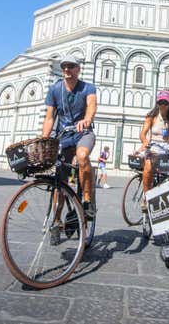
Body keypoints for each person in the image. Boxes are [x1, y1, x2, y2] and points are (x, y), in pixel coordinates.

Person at [42, 54, 97, 229]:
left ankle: (87, 198)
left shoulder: (87, 88)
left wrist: (87, 119)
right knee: (60, 182)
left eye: (71, 66)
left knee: (82, 156)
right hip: (63, 137)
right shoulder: (55, 89)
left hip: (83, 133)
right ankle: (57, 220)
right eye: (64, 66)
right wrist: (44, 139)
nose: (67, 69)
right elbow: (50, 118)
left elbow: (91, 105)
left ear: (78, 69)